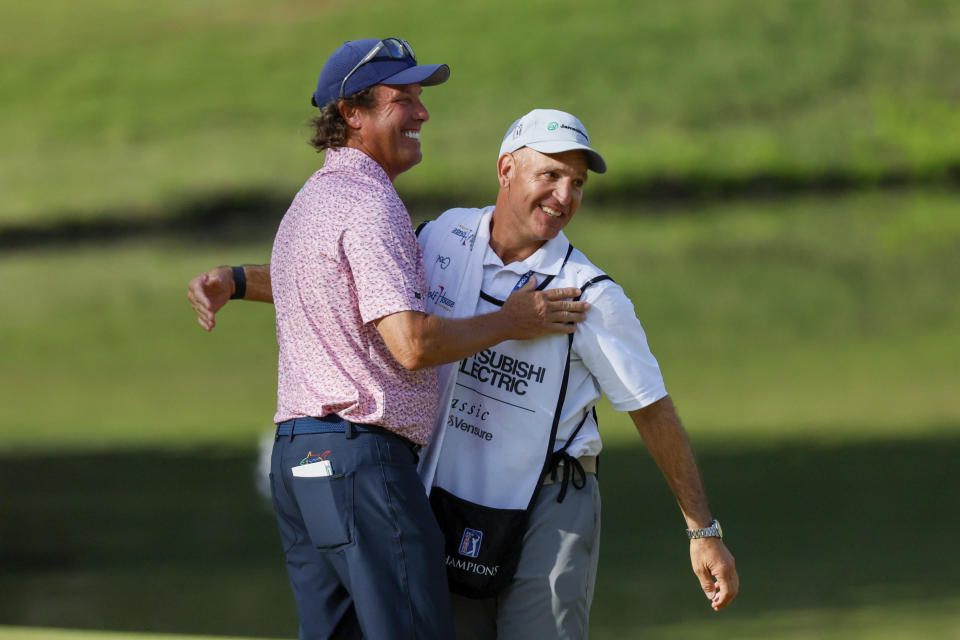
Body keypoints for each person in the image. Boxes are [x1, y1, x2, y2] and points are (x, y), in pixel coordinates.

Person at [189, 109, 739, 638]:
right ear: (506, 169)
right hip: (449, 495)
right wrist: (238, 281)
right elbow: (344, 280)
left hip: (551, 501)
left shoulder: (589, 294)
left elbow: (652, 409)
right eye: (550, 174)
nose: (564, 197)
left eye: (576, 183)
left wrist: (702, 531)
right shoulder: (443, 238)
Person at [220, 38, 591, 640]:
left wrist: (235, 280)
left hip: (300, 463)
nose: (422, 113)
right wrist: (512, 320)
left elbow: (325, 289)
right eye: (404, 99)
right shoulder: (371, 204)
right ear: (352, 113)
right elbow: (411, 344)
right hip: (361, 467)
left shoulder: (311, 199)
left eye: (421, 98)